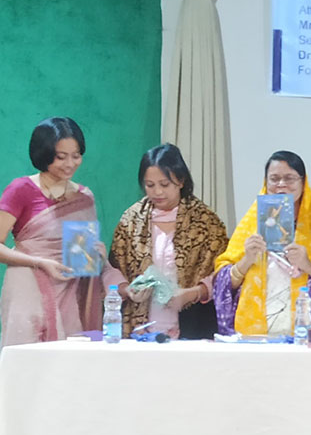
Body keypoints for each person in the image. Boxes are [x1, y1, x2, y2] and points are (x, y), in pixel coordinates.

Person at [213, 151, 311, 336]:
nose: (281, 185)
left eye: (289, 178)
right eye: (274, 179)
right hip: (255, 335)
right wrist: (246, 260)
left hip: (305, 331)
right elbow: (223, 284)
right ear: (266, 182)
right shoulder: (248, 227)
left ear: (303, 183)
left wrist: (308, 266)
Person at [0, 117, 106, 346]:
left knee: (67, 359)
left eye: (76, 156)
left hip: (69, 293)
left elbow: (82, 260)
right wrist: (40, 262)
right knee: (26, 358)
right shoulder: (21, 190)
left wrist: (96, 257)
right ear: (43, 154)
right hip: (27, 287)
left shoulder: (83, 197)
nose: (70, 163)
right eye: (61, 157)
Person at [106, 144, 229, 339]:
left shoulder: (206, 222)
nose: (157, 192)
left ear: (180, 181)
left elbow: (223, 274)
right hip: (140, 328)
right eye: (150, 185)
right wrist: (127, 290)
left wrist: (192, 293)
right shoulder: (131, 220)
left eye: (164, 184)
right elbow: (113, 268)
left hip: (192, 325)